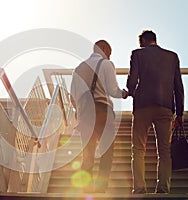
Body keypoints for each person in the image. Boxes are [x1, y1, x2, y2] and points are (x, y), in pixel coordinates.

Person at [126, 30, 184, 194]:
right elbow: (178, 87)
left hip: (142, 107)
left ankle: (139, 188)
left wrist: (130, 91)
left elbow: (133, 79)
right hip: (165, 107)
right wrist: (179, 113)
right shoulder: (172, 56)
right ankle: (163, 189)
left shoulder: (137, 54)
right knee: (164, 151)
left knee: (138, 149)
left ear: (144, 41)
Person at [70, 40, 128, 193]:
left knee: (87, 152)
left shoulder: (78, 68)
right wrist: (124, 94)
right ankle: (101, 188)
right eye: (109, 52)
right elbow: (113, 90)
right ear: (103, 49)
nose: (109, 56)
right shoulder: (106, 64)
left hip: (85, 114)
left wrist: (81, 109)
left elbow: (72, 97)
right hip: (102, 111)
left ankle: (86, 189)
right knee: (106, 150)